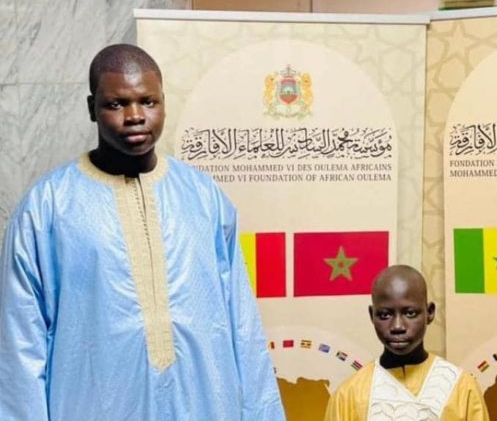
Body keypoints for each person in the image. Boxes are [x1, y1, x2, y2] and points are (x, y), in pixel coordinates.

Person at [0, 44, 285, 420]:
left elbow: (242, 324)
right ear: (92, 108)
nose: (135, 116)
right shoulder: (46, 207)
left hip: (206, 406)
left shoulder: (203, 196)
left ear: (164, 102)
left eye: (148, 101)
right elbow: (20, 343)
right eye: (116, 104)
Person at [325, 265, 490, 421]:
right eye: (385, 315)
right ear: (372, 315)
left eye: (410, 313)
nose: (397, 326)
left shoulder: (462, 387)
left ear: (429, 313)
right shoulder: (348, 395)